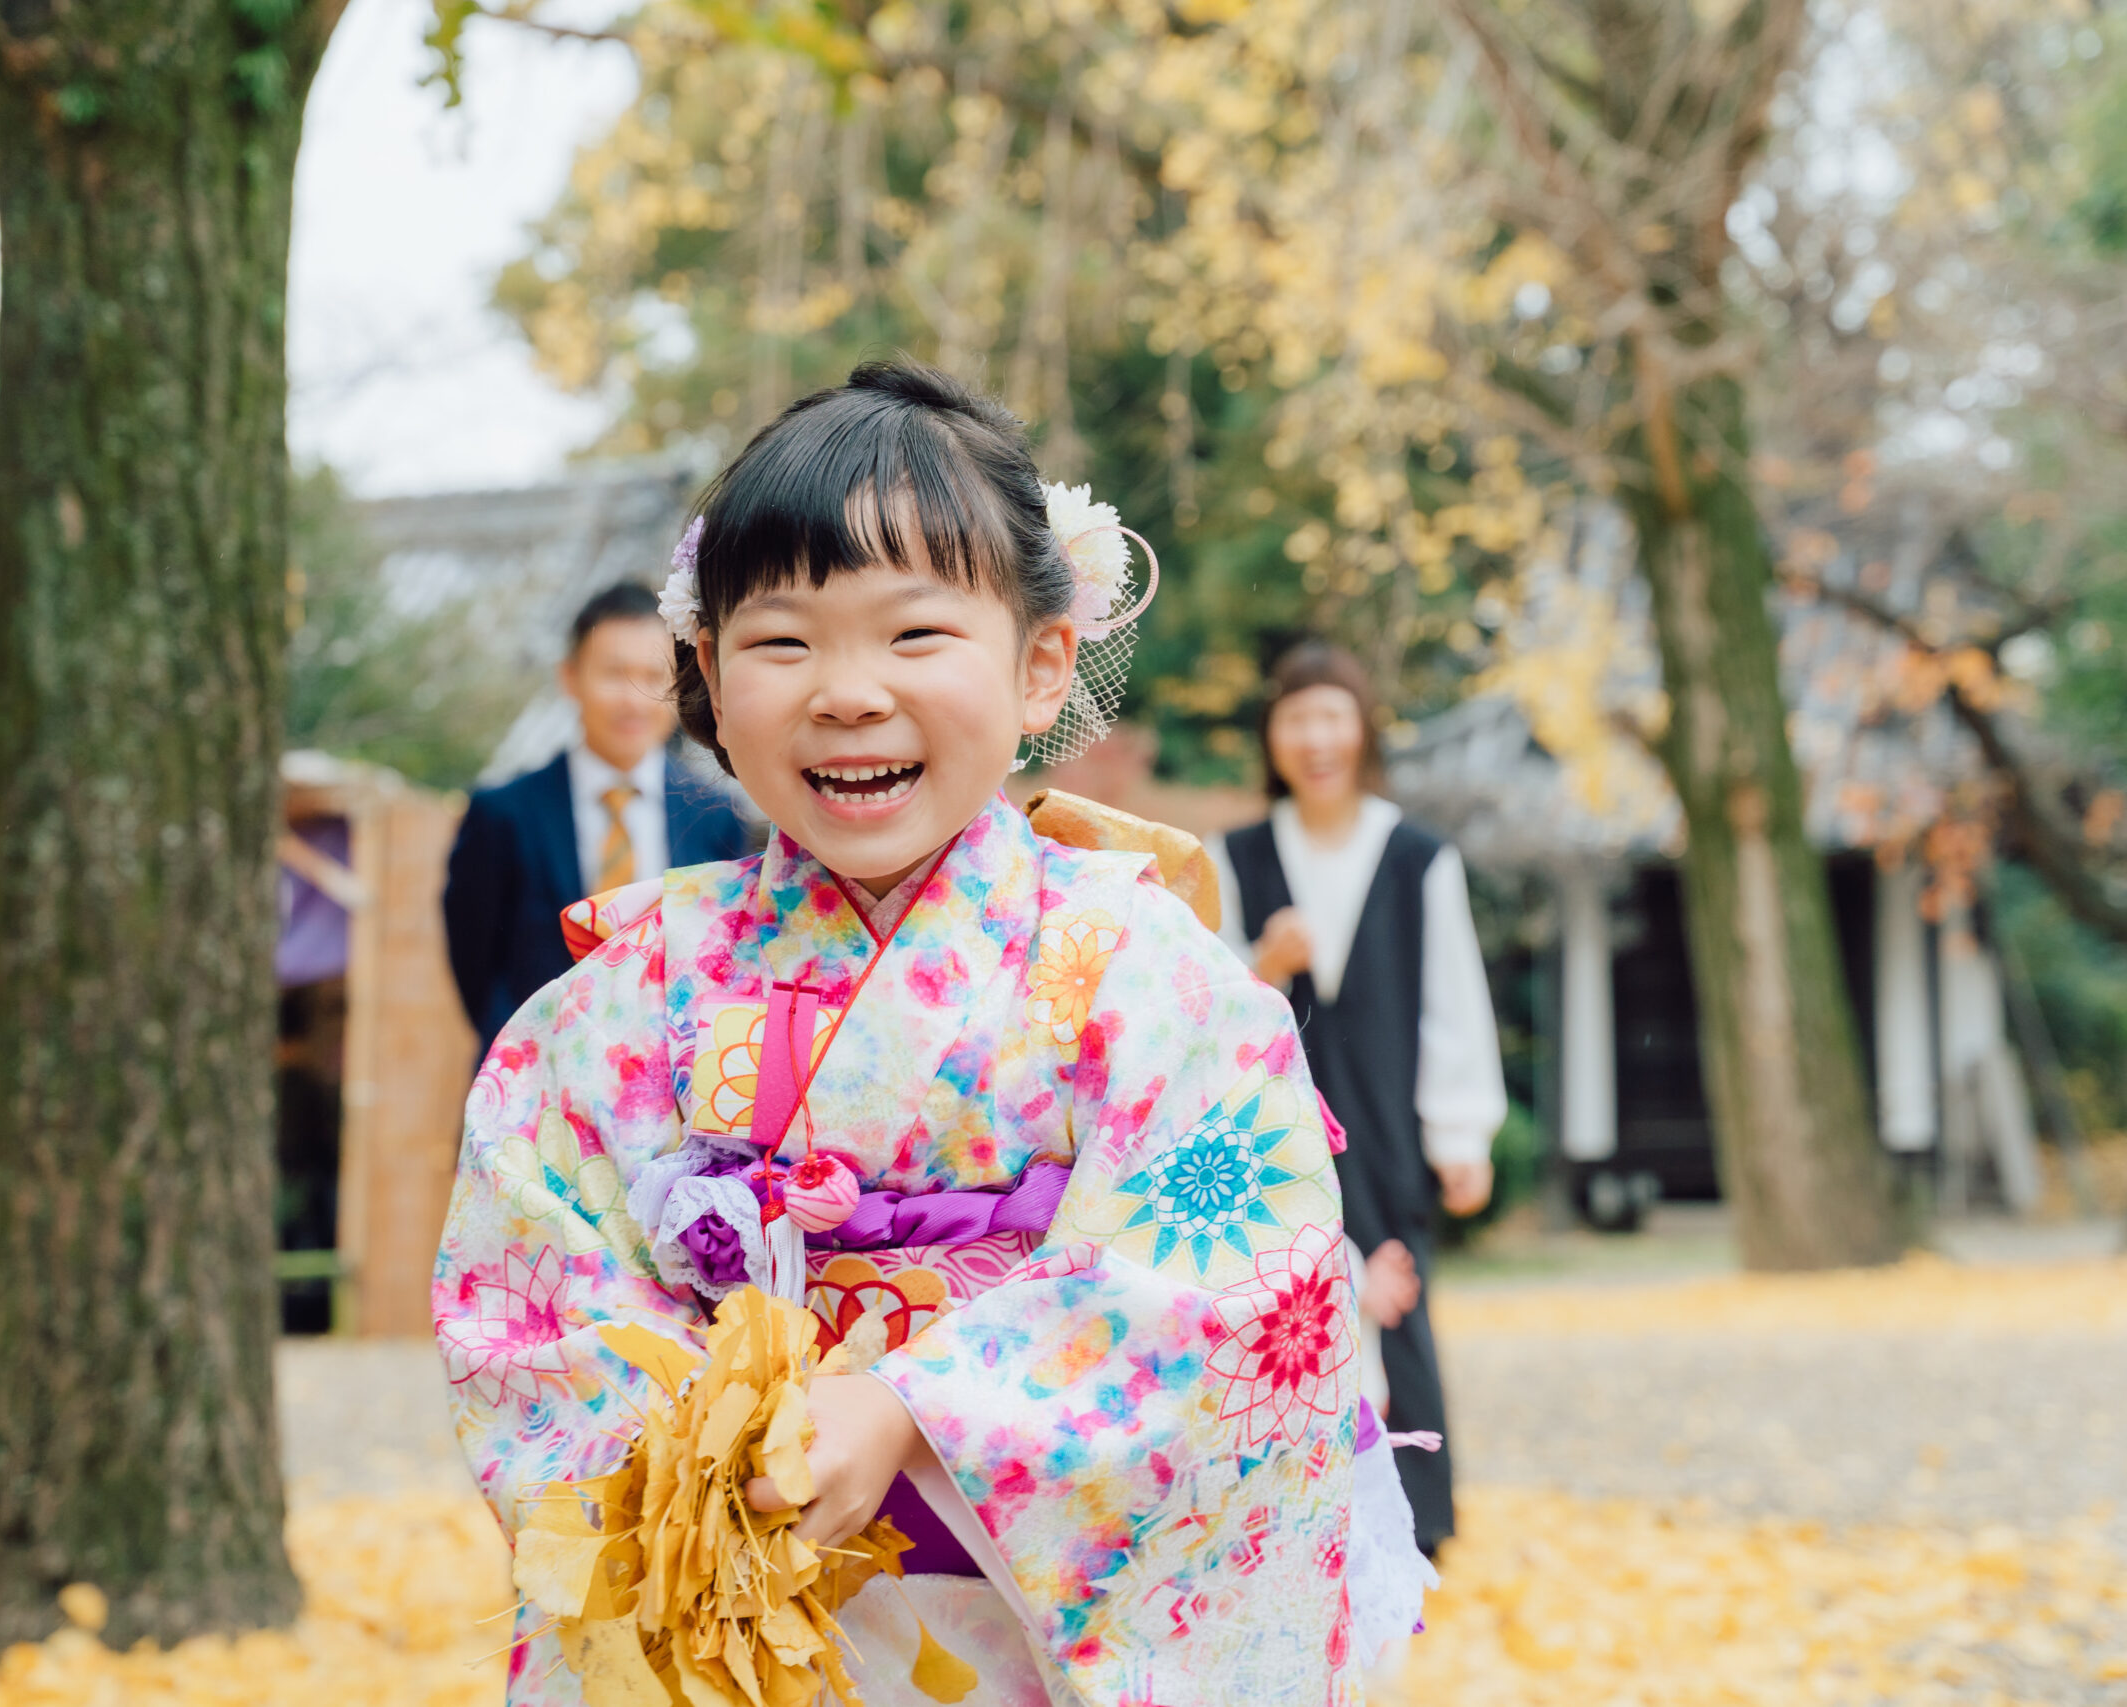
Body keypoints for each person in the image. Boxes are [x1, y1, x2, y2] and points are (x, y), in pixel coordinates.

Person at [434, 361, 1431, 1707]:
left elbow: (1233, 1278)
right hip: (750, 1611)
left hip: (1034, 1627)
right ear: (712, 685)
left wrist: (914, 1404)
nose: (847, 691)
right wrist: (720, 1461)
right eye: (782, 641)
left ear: (1039, 666)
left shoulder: (1151, 977)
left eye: (913, 635)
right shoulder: (617, 1003)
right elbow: (532, 1281)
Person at [1205, 642, 1507, 1555]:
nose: (1316, 737)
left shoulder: (1418, 857)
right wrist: (1267, 967)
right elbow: (1207, 1000)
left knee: (1400, 1303)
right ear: (1273, 737)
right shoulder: (1238, 855)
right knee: (1282, 1308)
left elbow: (1453, 1003)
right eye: (1297, 718)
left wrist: (1462, 1133)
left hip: (1386, 1122)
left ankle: (1419, 1526)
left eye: (1332, 716)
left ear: (1362, 730)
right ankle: (1293, 1511)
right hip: (1279, 1126)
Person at [442, 582, 754, 1051]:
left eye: (653, 675)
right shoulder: (502, 815)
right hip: (535, 1076)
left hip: (672, 1078)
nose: (633, 699)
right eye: (613, 674)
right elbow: (473, 964)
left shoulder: (717, 816)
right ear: (570, 678)